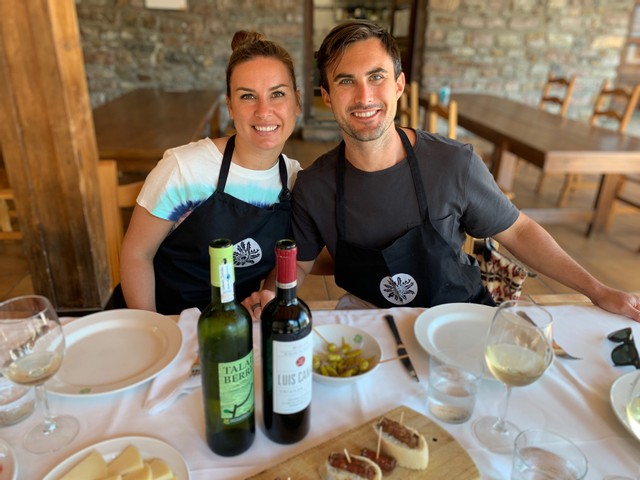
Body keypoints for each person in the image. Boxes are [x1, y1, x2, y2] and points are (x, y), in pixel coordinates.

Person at [290, 20, 640, 322]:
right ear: (328, 96)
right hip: (368, 320)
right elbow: (299, 263)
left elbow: (518, 231)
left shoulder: (452, 164)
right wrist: (269, 293)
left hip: (458, 315)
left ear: (399, 85)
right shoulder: (314, 185)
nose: (364, 96)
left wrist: (598, 290)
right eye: (346, 81)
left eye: (376, 76)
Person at [119, 30, 302, 316]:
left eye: (277, 94)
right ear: (230, 106)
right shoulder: (185, 169)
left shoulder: (293, 181)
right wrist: (156, 330)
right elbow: (136, 255)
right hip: (166, 319)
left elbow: (288, 257)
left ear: (297, 103)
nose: (264, 111)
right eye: (247, 96)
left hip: (236, 324)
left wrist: (267, 291)